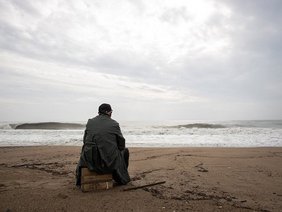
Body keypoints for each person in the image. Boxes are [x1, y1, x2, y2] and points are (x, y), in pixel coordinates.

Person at [76, 103, 130, 186]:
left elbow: (85, 140)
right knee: (125, 151)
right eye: (111, 112)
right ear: (109, 113)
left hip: (89, 161)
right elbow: (121, 143)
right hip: (107, 163)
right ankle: (120, 178)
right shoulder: (114, 124)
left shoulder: (90, 122)